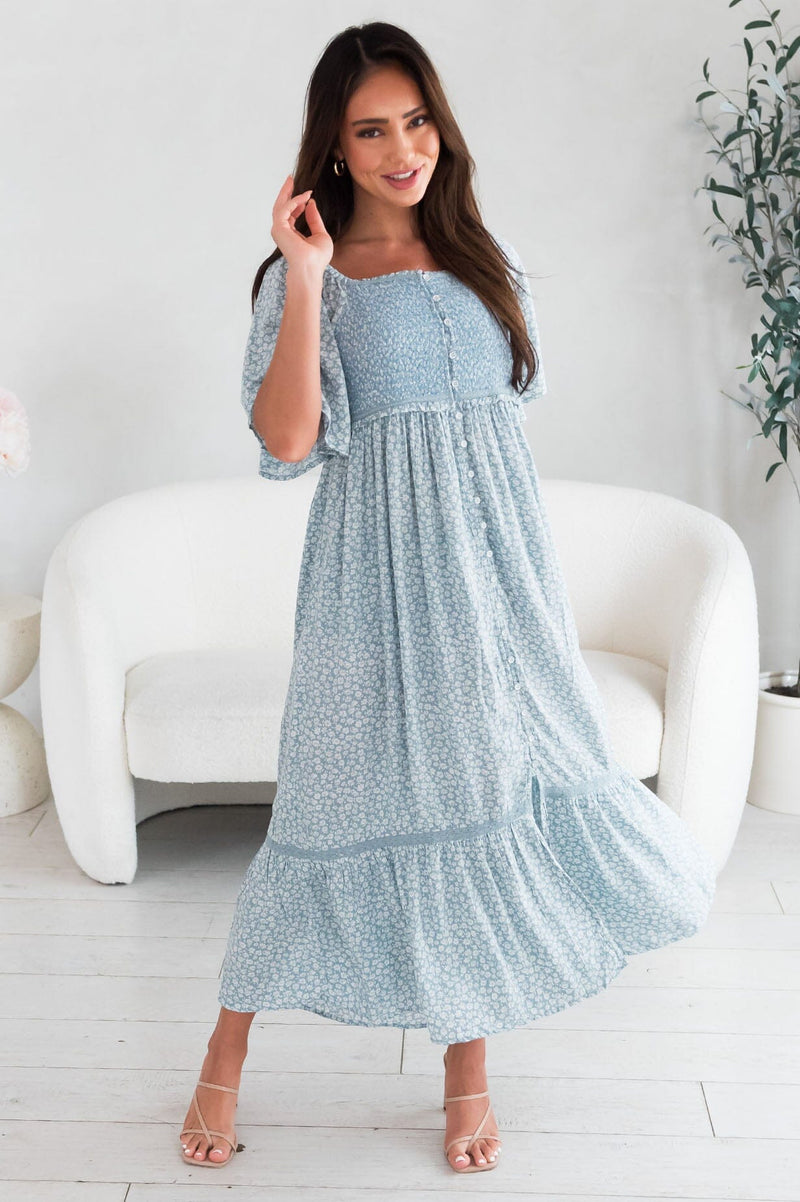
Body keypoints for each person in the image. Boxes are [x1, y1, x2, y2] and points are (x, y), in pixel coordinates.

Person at [179, 20, 717, 1176]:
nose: (401, 150)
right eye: (371, 130)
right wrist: (308, 276)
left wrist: (519, 595)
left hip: (498, 584)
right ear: (334, 144)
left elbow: (499, 426)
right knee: (319, 809)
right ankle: (223, 1050)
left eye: (415, 121)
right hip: (369, 585)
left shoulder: (485, 255)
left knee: (483, 796)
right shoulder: (304, 277)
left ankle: (466, 1071)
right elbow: (287, 439)